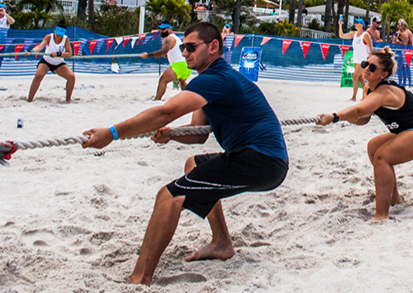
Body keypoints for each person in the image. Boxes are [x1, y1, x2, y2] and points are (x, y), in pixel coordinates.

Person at [82, 22, 288, 286]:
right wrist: (171, 134)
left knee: (169, 196)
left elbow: (165, 112)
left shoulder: (217, 78)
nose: (185, 53)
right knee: (193, 164)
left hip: (261, 160)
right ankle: (222, 242)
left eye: (191, 47)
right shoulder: (211, 80)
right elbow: (198, 133)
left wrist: (112, 133)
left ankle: (140, 278)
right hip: (262, 158)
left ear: (214, 47)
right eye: (183, 47)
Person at [316, 47, 413, 222]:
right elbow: (362, 118)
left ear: (384, 74)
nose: (366, 68)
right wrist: (344, 119)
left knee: (383, 156)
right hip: (407, 130)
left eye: (372, 67)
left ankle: (381, 215)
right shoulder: (368, 88)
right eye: (366, 64)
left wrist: (335, 116)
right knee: (373, 147)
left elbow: (359, 109)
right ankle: (394, 198)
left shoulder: (385, 91)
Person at [27, 20, 76, 103]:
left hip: (58, 63)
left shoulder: (66, 39)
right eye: (57, 34)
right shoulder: (49, 37)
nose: (58, 36)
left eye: (60, 35)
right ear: (54, 31)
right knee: (38, 76)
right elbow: (40, 46)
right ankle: (30, 99)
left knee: (71, 77)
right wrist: (31, 51)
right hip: (46, 61)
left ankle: (68, 99)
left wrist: (58, 54)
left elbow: (69, 54)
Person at [141, 22, 192, 100]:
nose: (161, 31)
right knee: (182, 82)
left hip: (179, 64)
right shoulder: (175, 38)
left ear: (169, 30)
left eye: (163, 29)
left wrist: (148, 55)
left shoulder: (169, 39)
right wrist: (161, 54)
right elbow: (166, 54)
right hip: (186, 64)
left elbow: (163, 51)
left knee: (163, 80)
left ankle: (157, 99)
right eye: (160, 29)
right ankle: (189, 98)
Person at [339, 17, 373, 101]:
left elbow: (371, 48)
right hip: (356, 59)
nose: (355, 24)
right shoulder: (354, 34)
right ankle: (366, 96)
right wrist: (340, 26)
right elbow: (341, 35)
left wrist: (370, 59)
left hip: (363, 59)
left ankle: (354, 97)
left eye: (357, 23)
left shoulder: (365, 35)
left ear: (361, 25)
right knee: (360, 79)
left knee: (354, 77)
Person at [392, 18, 413, 87]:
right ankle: (401, 82)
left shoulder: (408, 33)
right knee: (399, 67)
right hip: (399, 51)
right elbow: (393, 42)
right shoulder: (397, 33)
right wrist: (396, 39)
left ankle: (409, 82)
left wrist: (410, 52)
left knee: (406, 67)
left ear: (403, 26)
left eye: (399, 25)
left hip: (405, 51)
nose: (398, 26)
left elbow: (411, 43)